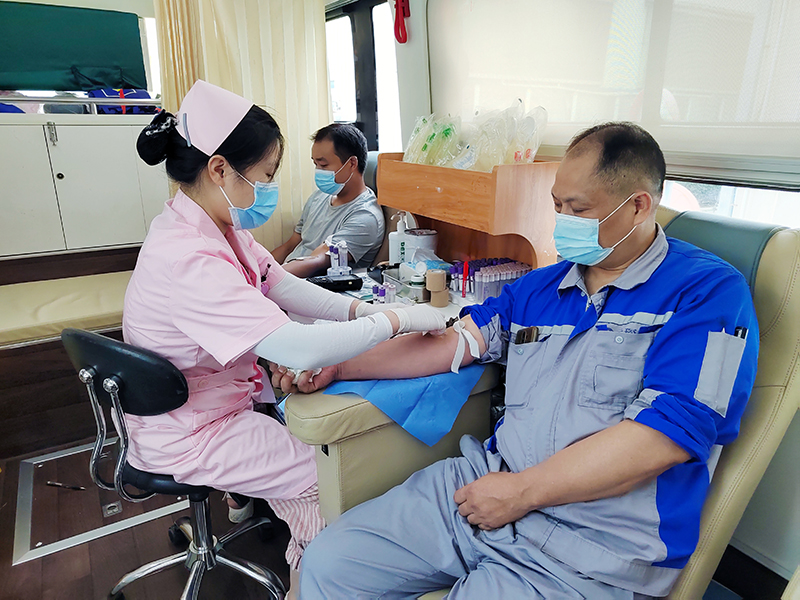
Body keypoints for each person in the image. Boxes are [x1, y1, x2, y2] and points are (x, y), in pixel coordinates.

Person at [275, 122, 759, 599]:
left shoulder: (707, 293)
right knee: (329, 565)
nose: (562, 220)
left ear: (638, 205)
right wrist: (342, 363)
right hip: (486, 483)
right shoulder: (540, 288)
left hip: (592, 543)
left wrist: (523, 491)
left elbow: (663, 439)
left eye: (578, 209)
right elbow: (451, 342)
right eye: (557, 205)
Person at [125, 80, 446, 597]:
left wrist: (365, 310)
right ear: (220, 169)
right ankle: (312, 582)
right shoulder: (188, 258)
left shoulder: (217, 228)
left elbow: (283, 285)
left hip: (204, 407)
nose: (269, 189)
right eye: (266, 175)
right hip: (192, 431)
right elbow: (296, 347)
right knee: (330, 476)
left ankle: (303, 554)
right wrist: (397, 321)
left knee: (313, 454)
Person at [271, 123, 385, 277]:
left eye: (323, 165)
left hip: (306, 284)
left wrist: (267, 278)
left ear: (352, 163)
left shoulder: (366, 216)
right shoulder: (318, 197)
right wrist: (256, 269)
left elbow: (317, 260)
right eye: (315, 164)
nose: (318, 171)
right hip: (283, 276)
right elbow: (290, 246)